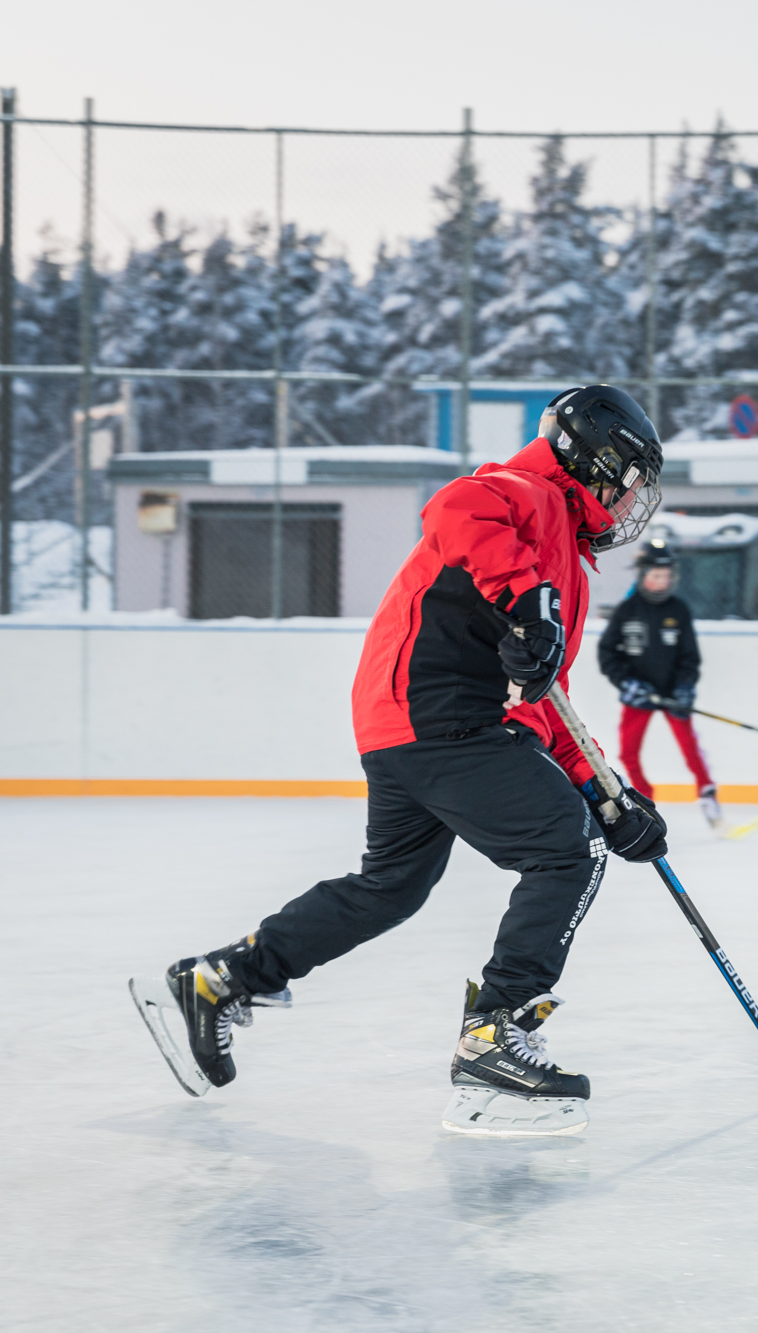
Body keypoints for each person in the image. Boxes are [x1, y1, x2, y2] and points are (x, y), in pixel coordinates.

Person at [132, 385, 669, 1139]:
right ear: (592, 460)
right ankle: (494, 1036)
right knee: (564, 849)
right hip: (436, 713)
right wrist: (528, 600)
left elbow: (545, 694)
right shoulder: (524, 492)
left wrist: (606, 792)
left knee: (391, 885)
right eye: (628, 480)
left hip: (409, 722)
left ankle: (220, 981)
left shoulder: (568, 564)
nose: (629, 500)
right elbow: (455, 509)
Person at [598, 538, 721, 829]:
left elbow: (690, 658)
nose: (661, 581)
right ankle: (645, 799)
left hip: (671, 693)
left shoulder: (678, 610)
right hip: (639, 695)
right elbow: (607, 654)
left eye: (666, 576)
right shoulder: (626, 610)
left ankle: (707, 791)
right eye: (655, 576)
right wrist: (626, 683)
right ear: (642, 575)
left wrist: (685, 688)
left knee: (689, 746)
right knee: (628, 751)